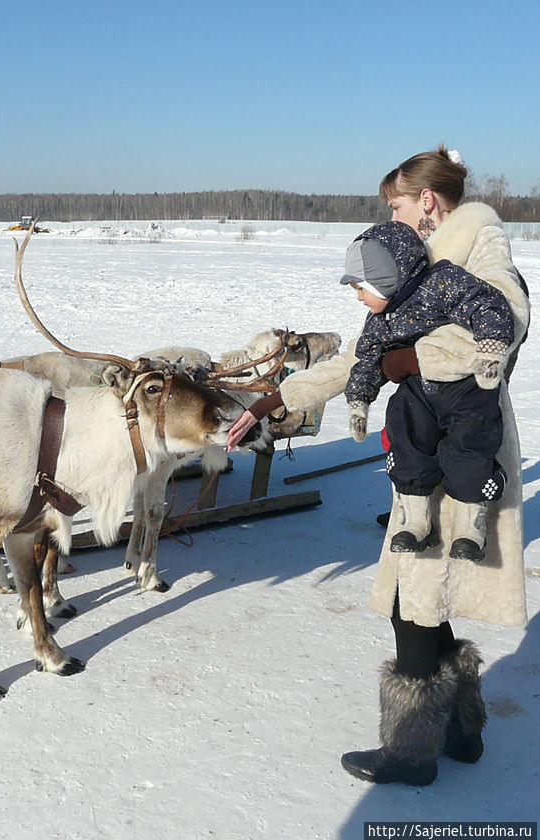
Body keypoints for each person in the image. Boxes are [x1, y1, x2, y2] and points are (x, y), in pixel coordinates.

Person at [227, 145, 530, 786]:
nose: (391, 218)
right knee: (424, 596)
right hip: (429, 442)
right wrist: (282, 396)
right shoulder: (417, 262)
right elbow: (367, 351)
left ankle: (412, 754)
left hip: (463, 451)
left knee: (413, 600)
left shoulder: (479, 241)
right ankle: (462, 731)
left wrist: (410, 362)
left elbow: (511, 318)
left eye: (395, 204)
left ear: (426, 200)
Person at [340, 220, 513, 562]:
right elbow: (368, 358)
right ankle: (416, 522)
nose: (358, 296)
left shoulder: (442, 282)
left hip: (464, 387)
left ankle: (470, 528)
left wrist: (491, 346)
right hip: (419, 389)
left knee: (469, 446)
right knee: (404, 434)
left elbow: (488, 303)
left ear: (386, 277)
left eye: (361, 287)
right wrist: (359, 399)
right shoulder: (380, 319)